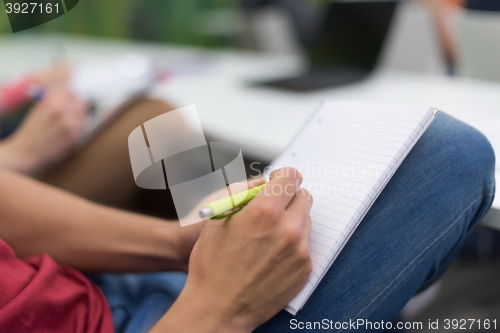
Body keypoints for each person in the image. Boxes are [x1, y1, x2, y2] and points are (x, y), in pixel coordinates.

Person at [0, 106, 495, 332]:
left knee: (156, 120)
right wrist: (218, 306)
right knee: (445, 153)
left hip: (82, 287)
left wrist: (176, 245)